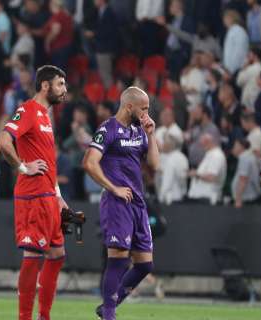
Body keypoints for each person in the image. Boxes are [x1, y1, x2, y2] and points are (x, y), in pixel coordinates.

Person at [83, 86, 160, 320]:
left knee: (145, 265)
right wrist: (113, 187)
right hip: (117, 203)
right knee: (118, 258)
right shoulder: (108, 129)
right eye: (144, 108)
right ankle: (109, 314)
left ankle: (108, 304)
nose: (147, 112)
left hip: (137, 203)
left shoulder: (139, 131)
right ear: (129, 106)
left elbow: (155, 166)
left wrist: (151, 134)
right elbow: (89, 162)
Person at [0, 65, 69, 320]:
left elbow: (48, 160)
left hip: (48, 196)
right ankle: (25, 317)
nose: (65, 90)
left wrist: (58, 194)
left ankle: (44, 316)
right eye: (60, 84)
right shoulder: (27, 110)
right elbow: (4, 140)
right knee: (34, 254)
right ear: (45, 86)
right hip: (32, 196)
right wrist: (22, 167)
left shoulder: (46, 117)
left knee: (57, 254)